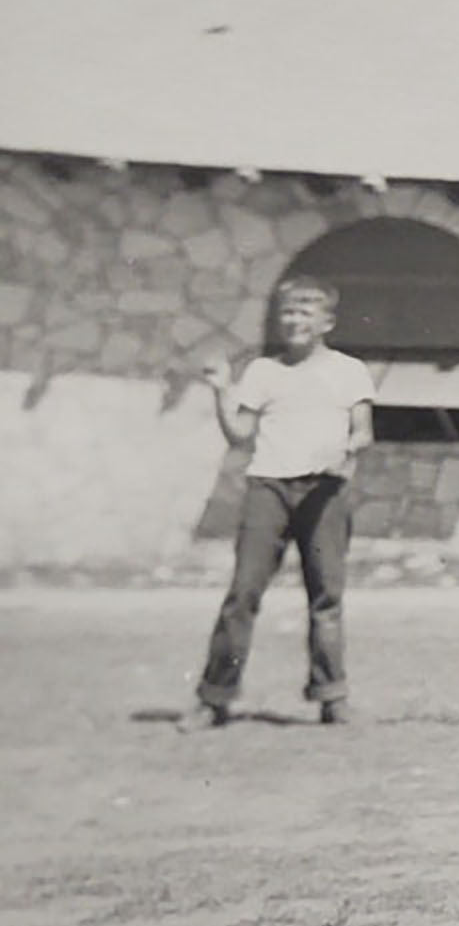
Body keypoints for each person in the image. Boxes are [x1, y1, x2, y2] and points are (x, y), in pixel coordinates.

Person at [181, 276, 375, 730]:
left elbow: (364, 431)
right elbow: (240, 434)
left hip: (325, 491)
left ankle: (333, 697)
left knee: (326, 596)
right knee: (243, 593)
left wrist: (346, 451)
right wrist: (220, 390)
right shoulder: (262, 372)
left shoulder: (350, 371)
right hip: (268, 488)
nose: (294, 320)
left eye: (306, 312)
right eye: (288, 312)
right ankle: (214, 698)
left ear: (327, 321)